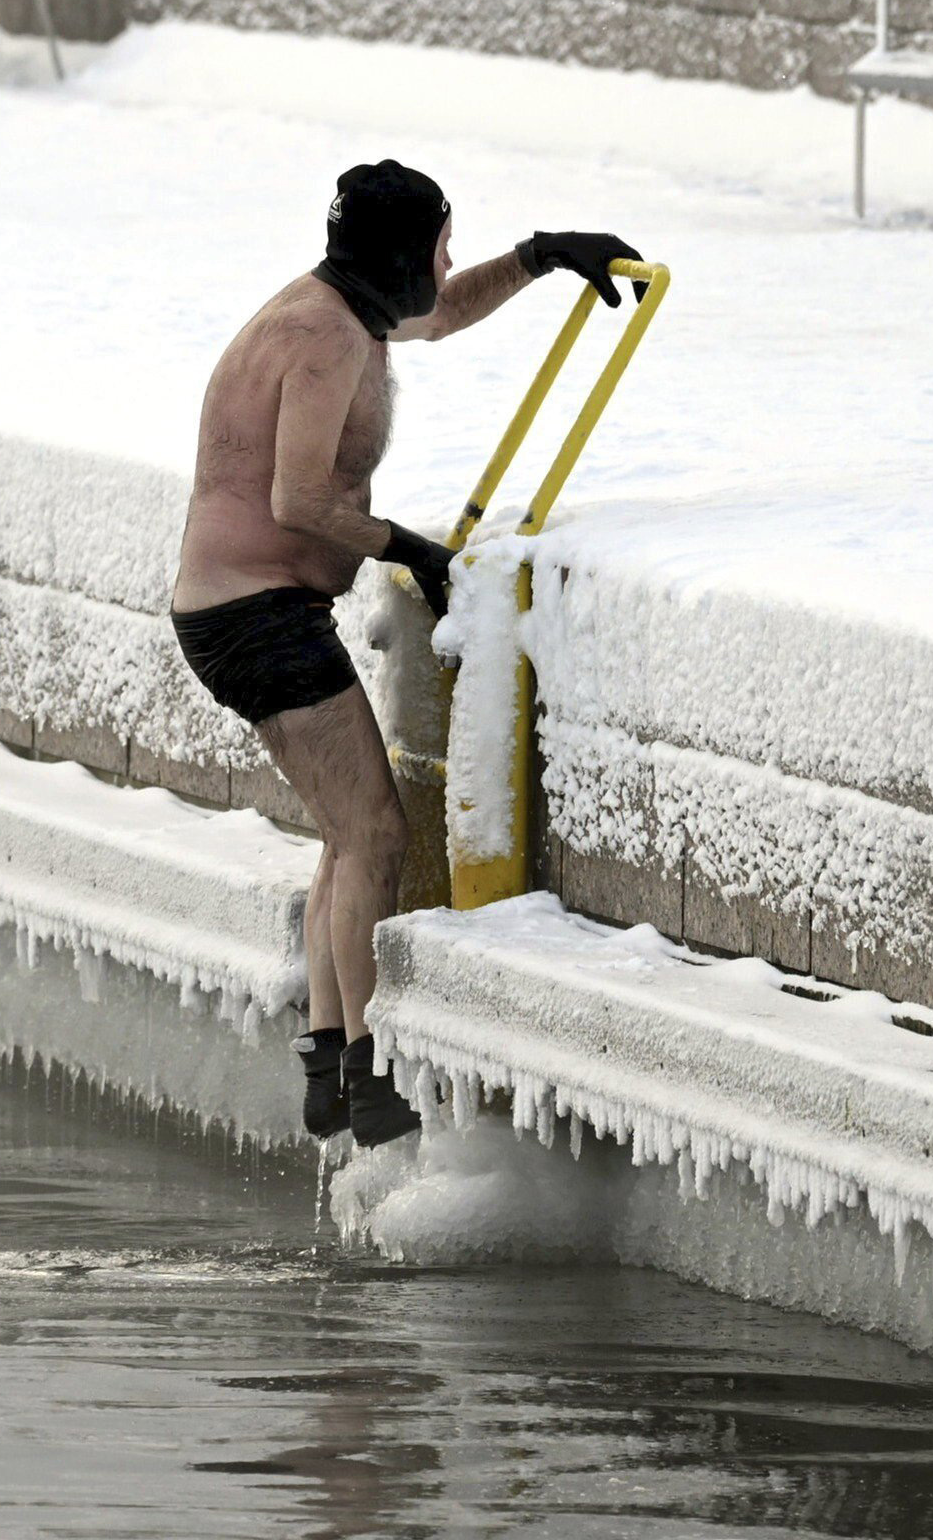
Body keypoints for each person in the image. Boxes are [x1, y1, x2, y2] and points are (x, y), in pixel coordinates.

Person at [170, 162, 637, 1146]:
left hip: (261, 606)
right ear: (398, 251)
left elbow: (439, 312)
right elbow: (297, 505)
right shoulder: (320, 336)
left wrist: (542, 257)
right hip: (255, 613)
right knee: (376, 834)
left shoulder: (350, 309)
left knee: (348, 836)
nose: (449, 262)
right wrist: (408, 547)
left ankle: (329, 1065)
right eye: (441, 243)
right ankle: (365, 1071)